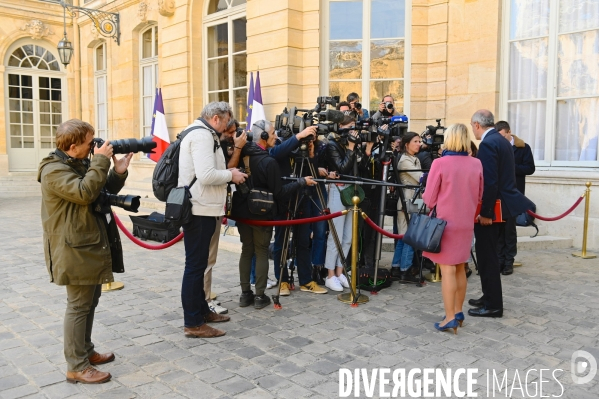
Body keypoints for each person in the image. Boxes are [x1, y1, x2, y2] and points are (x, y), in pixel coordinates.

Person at [38, 119, 133, 384]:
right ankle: (76, 366)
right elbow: (83, 192)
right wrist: (101, 161)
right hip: (73, 248)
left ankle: (86, 351)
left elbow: (99, 191)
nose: (95, 146)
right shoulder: (53, 170)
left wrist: (118, 172)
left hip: (87, 244)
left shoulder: (76, 162)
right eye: (90, 142)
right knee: (79, 305)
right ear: (72, 146)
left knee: (90, 302)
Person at [178, 102, 247, 338]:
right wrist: (232, 175)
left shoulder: (203, 133)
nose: (229, 126)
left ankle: (202, 312)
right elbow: (207, 175)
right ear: (216, 118)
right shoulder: (201, 136)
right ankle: (193, 323)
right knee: (195, 267)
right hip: (199, 209)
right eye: (227, 121)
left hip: (204, 207)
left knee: (198, 265)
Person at [231, 120, 317, 309]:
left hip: (242, 211)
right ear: (262, 136)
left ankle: (246, 295)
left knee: (247, 250)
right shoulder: (268, 162)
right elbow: (279, 193)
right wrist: (301, 182)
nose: (275, 137)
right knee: (261, 251)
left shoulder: (244, 154)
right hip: (261, 212)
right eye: (271, 134)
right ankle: (260, 296)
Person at [468, 110, 534, 318]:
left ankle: (493, 304)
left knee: (487, 256)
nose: (472, 130)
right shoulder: (501, 139)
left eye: (472, 126)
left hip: (493, 208)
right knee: (491, 255)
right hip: (502, 204)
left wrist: (485, 212)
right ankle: (488, 295)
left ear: (477, 125)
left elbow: (490, 181)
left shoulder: (488, 143)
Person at [421, 124, 483, 334]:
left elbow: (429, 200)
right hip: (466, 222)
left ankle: (449, 317)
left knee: (447, 269)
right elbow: (480, 195)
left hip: (445, 223)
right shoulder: (476, 164)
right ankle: (457, 312)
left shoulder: (440, 163)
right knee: (460, 267)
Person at [205, 118, 247, 315]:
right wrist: (237, 149)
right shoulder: (213, 144)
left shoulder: (214, 141)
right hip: (206, 208)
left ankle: (203, 297)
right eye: (229, 132)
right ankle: (204, 301)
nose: (232, 136)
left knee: (205, 260)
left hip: (209, 206)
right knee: (206, 259)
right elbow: (219, 172)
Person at [323, 115, 359, 291]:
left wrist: (362, 148)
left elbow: (359, 169)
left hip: (352, 191)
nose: (353, 131)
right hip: (338, 190)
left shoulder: (351, 143)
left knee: (348, 236)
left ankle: (340, 271)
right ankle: (330, 275)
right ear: (340, 127)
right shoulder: (332, 145)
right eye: (350, 127)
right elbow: (342, 168)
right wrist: (351, 147)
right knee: (335, 235)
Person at [495, 120, 535, 276]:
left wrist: (511, 167)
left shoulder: (523, 148)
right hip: (499, 193)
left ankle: (508, 261)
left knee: (509, 229)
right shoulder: (496, 147)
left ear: (509, 132)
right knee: (499, 229)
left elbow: (530, 168)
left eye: (503, 136)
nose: (501, 139)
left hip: (514, 193)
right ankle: (499, 259)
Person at [391, 132, 423, 282]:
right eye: (415, 141)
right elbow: (421, 178)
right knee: (409, 236)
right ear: (407, 144)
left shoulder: (415, 159)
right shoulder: (404, 160)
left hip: (415, 200)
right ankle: (406, 270)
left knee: (405, 235)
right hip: (407, 200)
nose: (419, 144)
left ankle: (397, 267)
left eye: (420, 141)